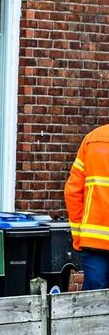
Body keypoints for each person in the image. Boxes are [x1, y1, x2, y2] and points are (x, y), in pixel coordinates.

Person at [63, 124, 109, 291]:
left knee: (92, 305)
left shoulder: (93, 140)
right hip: (93, 241)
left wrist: (78, 236)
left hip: (94, 241)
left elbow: (73, 192)